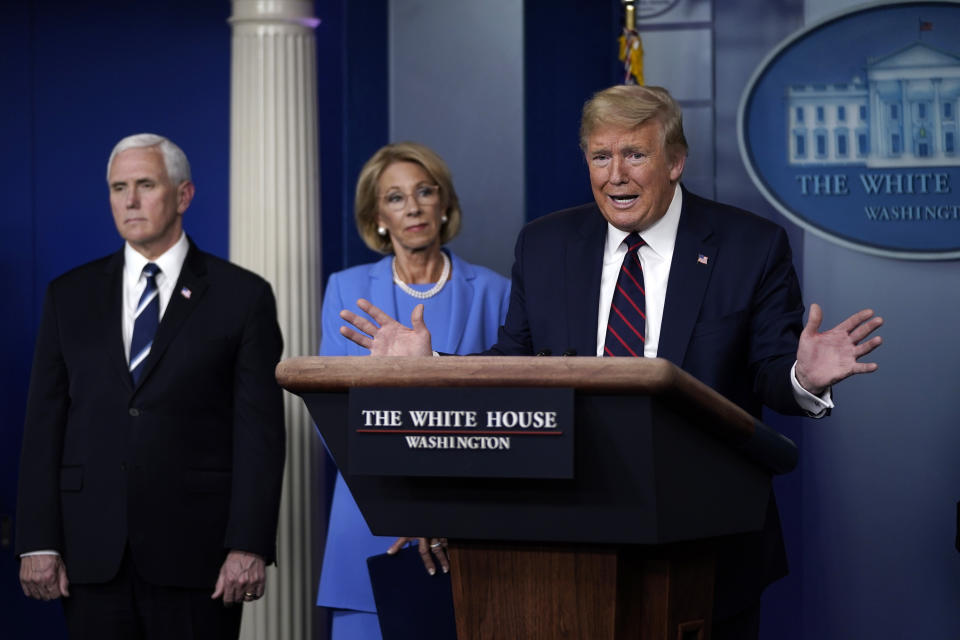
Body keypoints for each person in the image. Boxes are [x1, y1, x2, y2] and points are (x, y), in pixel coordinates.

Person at [336, 86, 883, 639]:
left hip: (705, 546)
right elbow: (514, 364)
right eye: (601, 156)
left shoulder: (750, 246)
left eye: (634, 155)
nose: (615, 175)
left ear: (675, 161)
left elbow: (769, 370)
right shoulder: (546, 244)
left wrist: (803, 377)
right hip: (559, 542)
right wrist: (434, 365)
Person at [15, 133, 286, 639]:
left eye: (145, 184)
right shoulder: (68, 295)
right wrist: (37, 540)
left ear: (183, 195)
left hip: (198, 559)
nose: (130, 200)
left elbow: (261, 433)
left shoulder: (242, 296)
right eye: (119, 187)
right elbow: (43, 424)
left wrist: (248, 544)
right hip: (90, 555)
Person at [315, 142, 510, 639]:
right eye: (396, 197)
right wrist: (406, 508)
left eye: (425, 191)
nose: (414, 206)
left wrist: (439, 511)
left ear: (444, 204)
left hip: (464, 532)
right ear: (378, 216)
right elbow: (333, 424)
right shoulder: (345, 289)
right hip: (368, 525)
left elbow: (501, 418)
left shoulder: (493, 291)